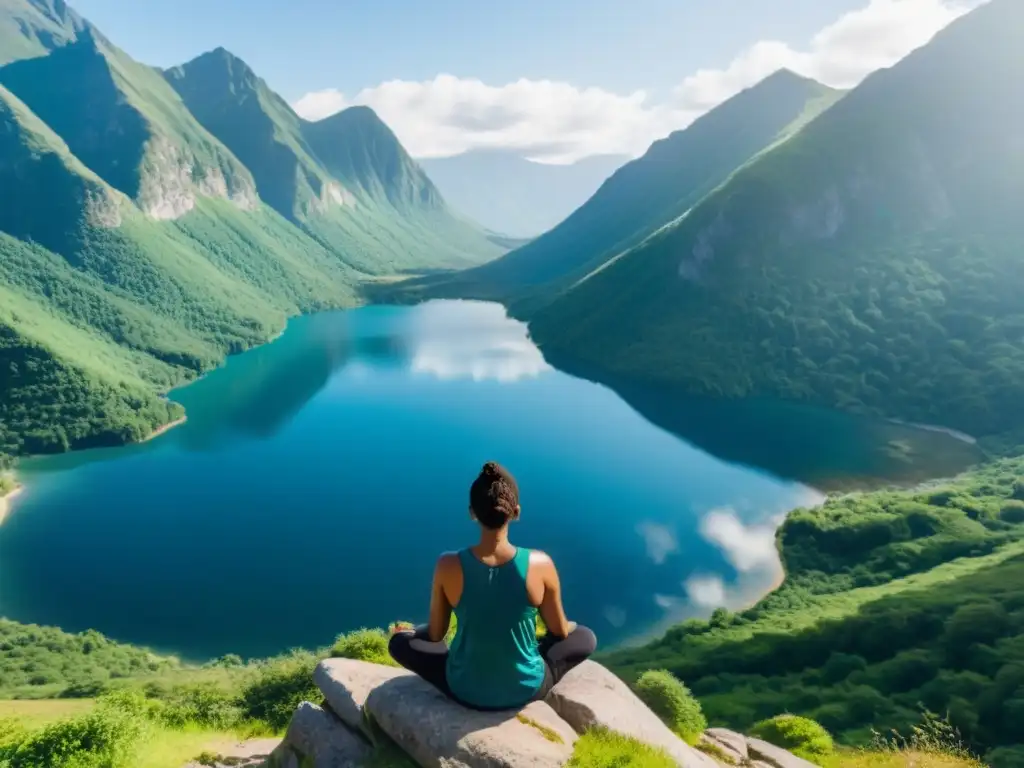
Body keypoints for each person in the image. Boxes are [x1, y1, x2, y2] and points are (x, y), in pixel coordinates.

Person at [388, 461, 597, 711]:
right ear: (516, 512)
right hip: (525, 689)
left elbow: (435, 634)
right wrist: (569, 626)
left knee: (399, 643)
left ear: (471, 512)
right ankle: (521, 662)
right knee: (585, 637)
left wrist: (411, 632)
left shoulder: (448, 564)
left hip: (464, 689)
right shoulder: (540, 564)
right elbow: (560, 631)